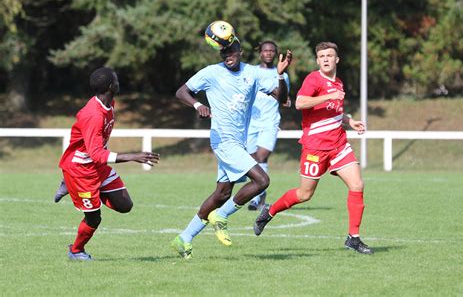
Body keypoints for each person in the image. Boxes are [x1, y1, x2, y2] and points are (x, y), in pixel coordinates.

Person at [171, 38, 292, 259]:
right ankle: (222, 216)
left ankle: (184, 238)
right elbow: (181, 92)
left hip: (239, 142)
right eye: (223, 53)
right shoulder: (211, 73)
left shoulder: (253, 74)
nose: (227, 56)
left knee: (222, 193)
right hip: (223, 140)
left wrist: (281, 75)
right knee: (262, 181)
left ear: (240, 51)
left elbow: (282, 99)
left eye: (231, 51)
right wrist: (198, 104)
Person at [253, 42, 373, 254]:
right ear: (317, 61)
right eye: (322, 56)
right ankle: (269, 211)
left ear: (337, 60)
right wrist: (328, 96)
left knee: (357, 184)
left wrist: (349, 121)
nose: (326, 59)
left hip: (338, 144)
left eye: (329, 55)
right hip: (315, 148)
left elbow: (332, 112)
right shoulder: (313, 79)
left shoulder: (338, 83)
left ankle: (353, 237)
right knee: (304, 194)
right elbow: (300, 103)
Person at [59, 67, 160, 261]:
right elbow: (96, 154)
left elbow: (97, 153)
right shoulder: (94, 115)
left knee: (125, 205)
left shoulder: (109, 103)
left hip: (97, 167)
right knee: (94, 219)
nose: (119, 82)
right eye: (116, 80)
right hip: (81, 171)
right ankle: (76, 251)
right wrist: (132, 156)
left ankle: (70, 186)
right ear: (110, 86)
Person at [247, 40, 291, 211]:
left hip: (270, 122)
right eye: (266, 51)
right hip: (250, 123)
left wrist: (286, 100)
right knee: (251, 161)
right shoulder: (252, 72)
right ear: (260, 53)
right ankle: (260, 193)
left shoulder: (282, 74)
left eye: (272, 51)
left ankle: (257, 198)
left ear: (275, 53)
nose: (269, 53)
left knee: (262, 156)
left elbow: (284, 98)